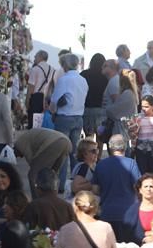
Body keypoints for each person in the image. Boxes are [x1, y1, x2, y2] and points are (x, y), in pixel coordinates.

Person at [90, 134, 142, 242]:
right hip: (128, 213)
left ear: (110, 147)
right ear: (124, 147)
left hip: (107, 212)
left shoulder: (101, 165)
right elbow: (138, 187)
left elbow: (95, 189)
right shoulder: (131, 164)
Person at [49, 52, 88, 182]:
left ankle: (61, 183)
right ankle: (76, 180)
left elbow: (54, 100)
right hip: (78, 117)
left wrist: (52, 112)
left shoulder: (64, 79)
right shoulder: (83, 80)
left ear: (65, 65)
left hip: (64, 117)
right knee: (75, 152)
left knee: (62, 151)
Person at [12, 127, 72, 196]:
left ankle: (37, 200)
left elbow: (33, 161)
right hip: (66, 142)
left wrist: (35, 169)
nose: (19, 157)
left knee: (32, 175)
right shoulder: (26, 138)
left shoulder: (19, 144)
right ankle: (53, 198)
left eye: (17, 156)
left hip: (54, 143)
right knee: (53, 174)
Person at [132, 95, 153, 173]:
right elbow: (133, 134)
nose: (144, 109)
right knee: (142, 172)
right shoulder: (138, 118)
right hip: (141, 148)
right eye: (142, 106)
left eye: (146, 106)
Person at [80, 53, 110, 138]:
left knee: (89, 137)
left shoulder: (84, 74)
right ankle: (99, 152)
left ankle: (89, 151)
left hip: (87, 108)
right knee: (100, 137)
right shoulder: (106, 76)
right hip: (101, 109)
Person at [105, 71, 140, 143]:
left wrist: (106, 107)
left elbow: (114, 110)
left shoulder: (127, 93)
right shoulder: (132, 93)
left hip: (122, 128)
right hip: (128, 128)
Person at [26, 49, 57, 125]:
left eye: (36, 56)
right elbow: (52, 86)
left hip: (35, 98)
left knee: (33, 122)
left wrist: (27, 101)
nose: (34, 58)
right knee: (42, 123)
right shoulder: (52, 70)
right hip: (46, 98)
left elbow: (31, 87)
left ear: (40, 57)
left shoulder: (35, 69)